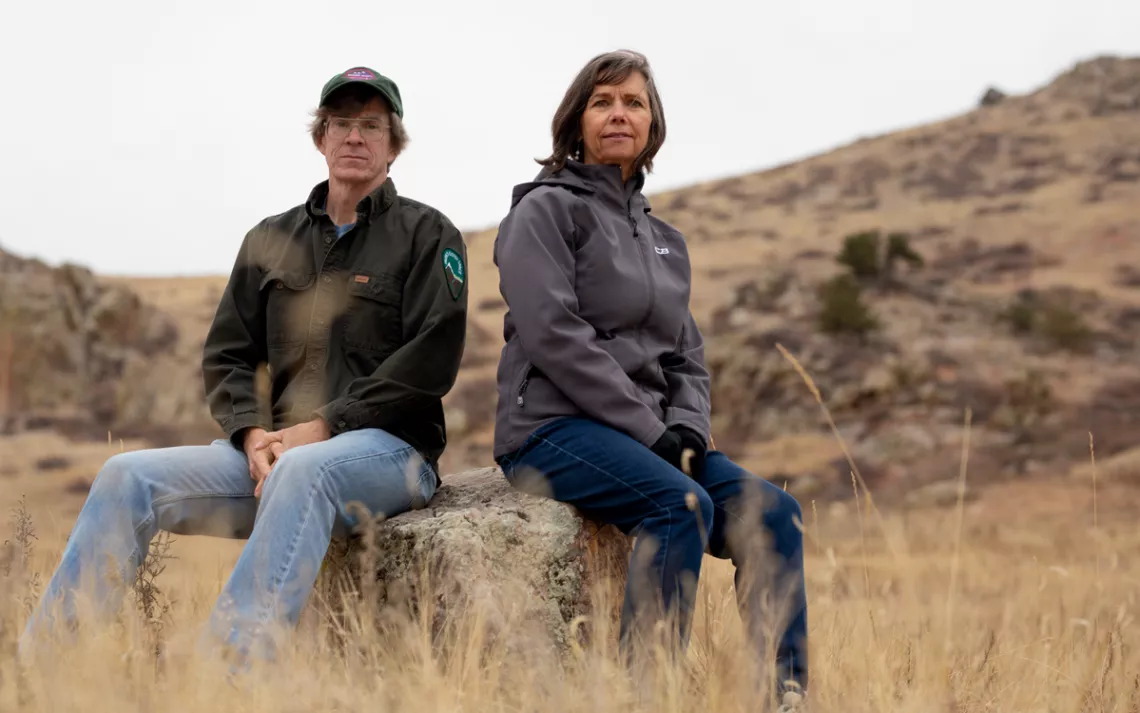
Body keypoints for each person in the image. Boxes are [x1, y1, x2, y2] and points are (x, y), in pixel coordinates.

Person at [21, 66, 469, 666]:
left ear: (393, 144)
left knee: (305, 470)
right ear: (321, 138)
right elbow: (229, 353)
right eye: (342, 124)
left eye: (372, 125)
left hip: (392, 454)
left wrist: (325, 427)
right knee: (127, 477)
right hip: (274, 456)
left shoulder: (427, 233)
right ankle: (43, 672)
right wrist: (252, 433)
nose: (355, 136)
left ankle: (219, 678)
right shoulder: (270, 239)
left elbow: (431, 359)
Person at [491, 50, 807, 703]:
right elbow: (553, 333)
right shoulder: (545, 212)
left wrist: (687, 428)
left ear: (652, 125)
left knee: (776, 513)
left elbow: (686, 352)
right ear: (577, 120)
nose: (618, 114)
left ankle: (785, 693)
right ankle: (648, 692)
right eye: (603, 101)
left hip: (653, 438)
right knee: (678, 503)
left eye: (633, 103)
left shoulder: (666, 239)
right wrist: (647, 429)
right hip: (551, 427)